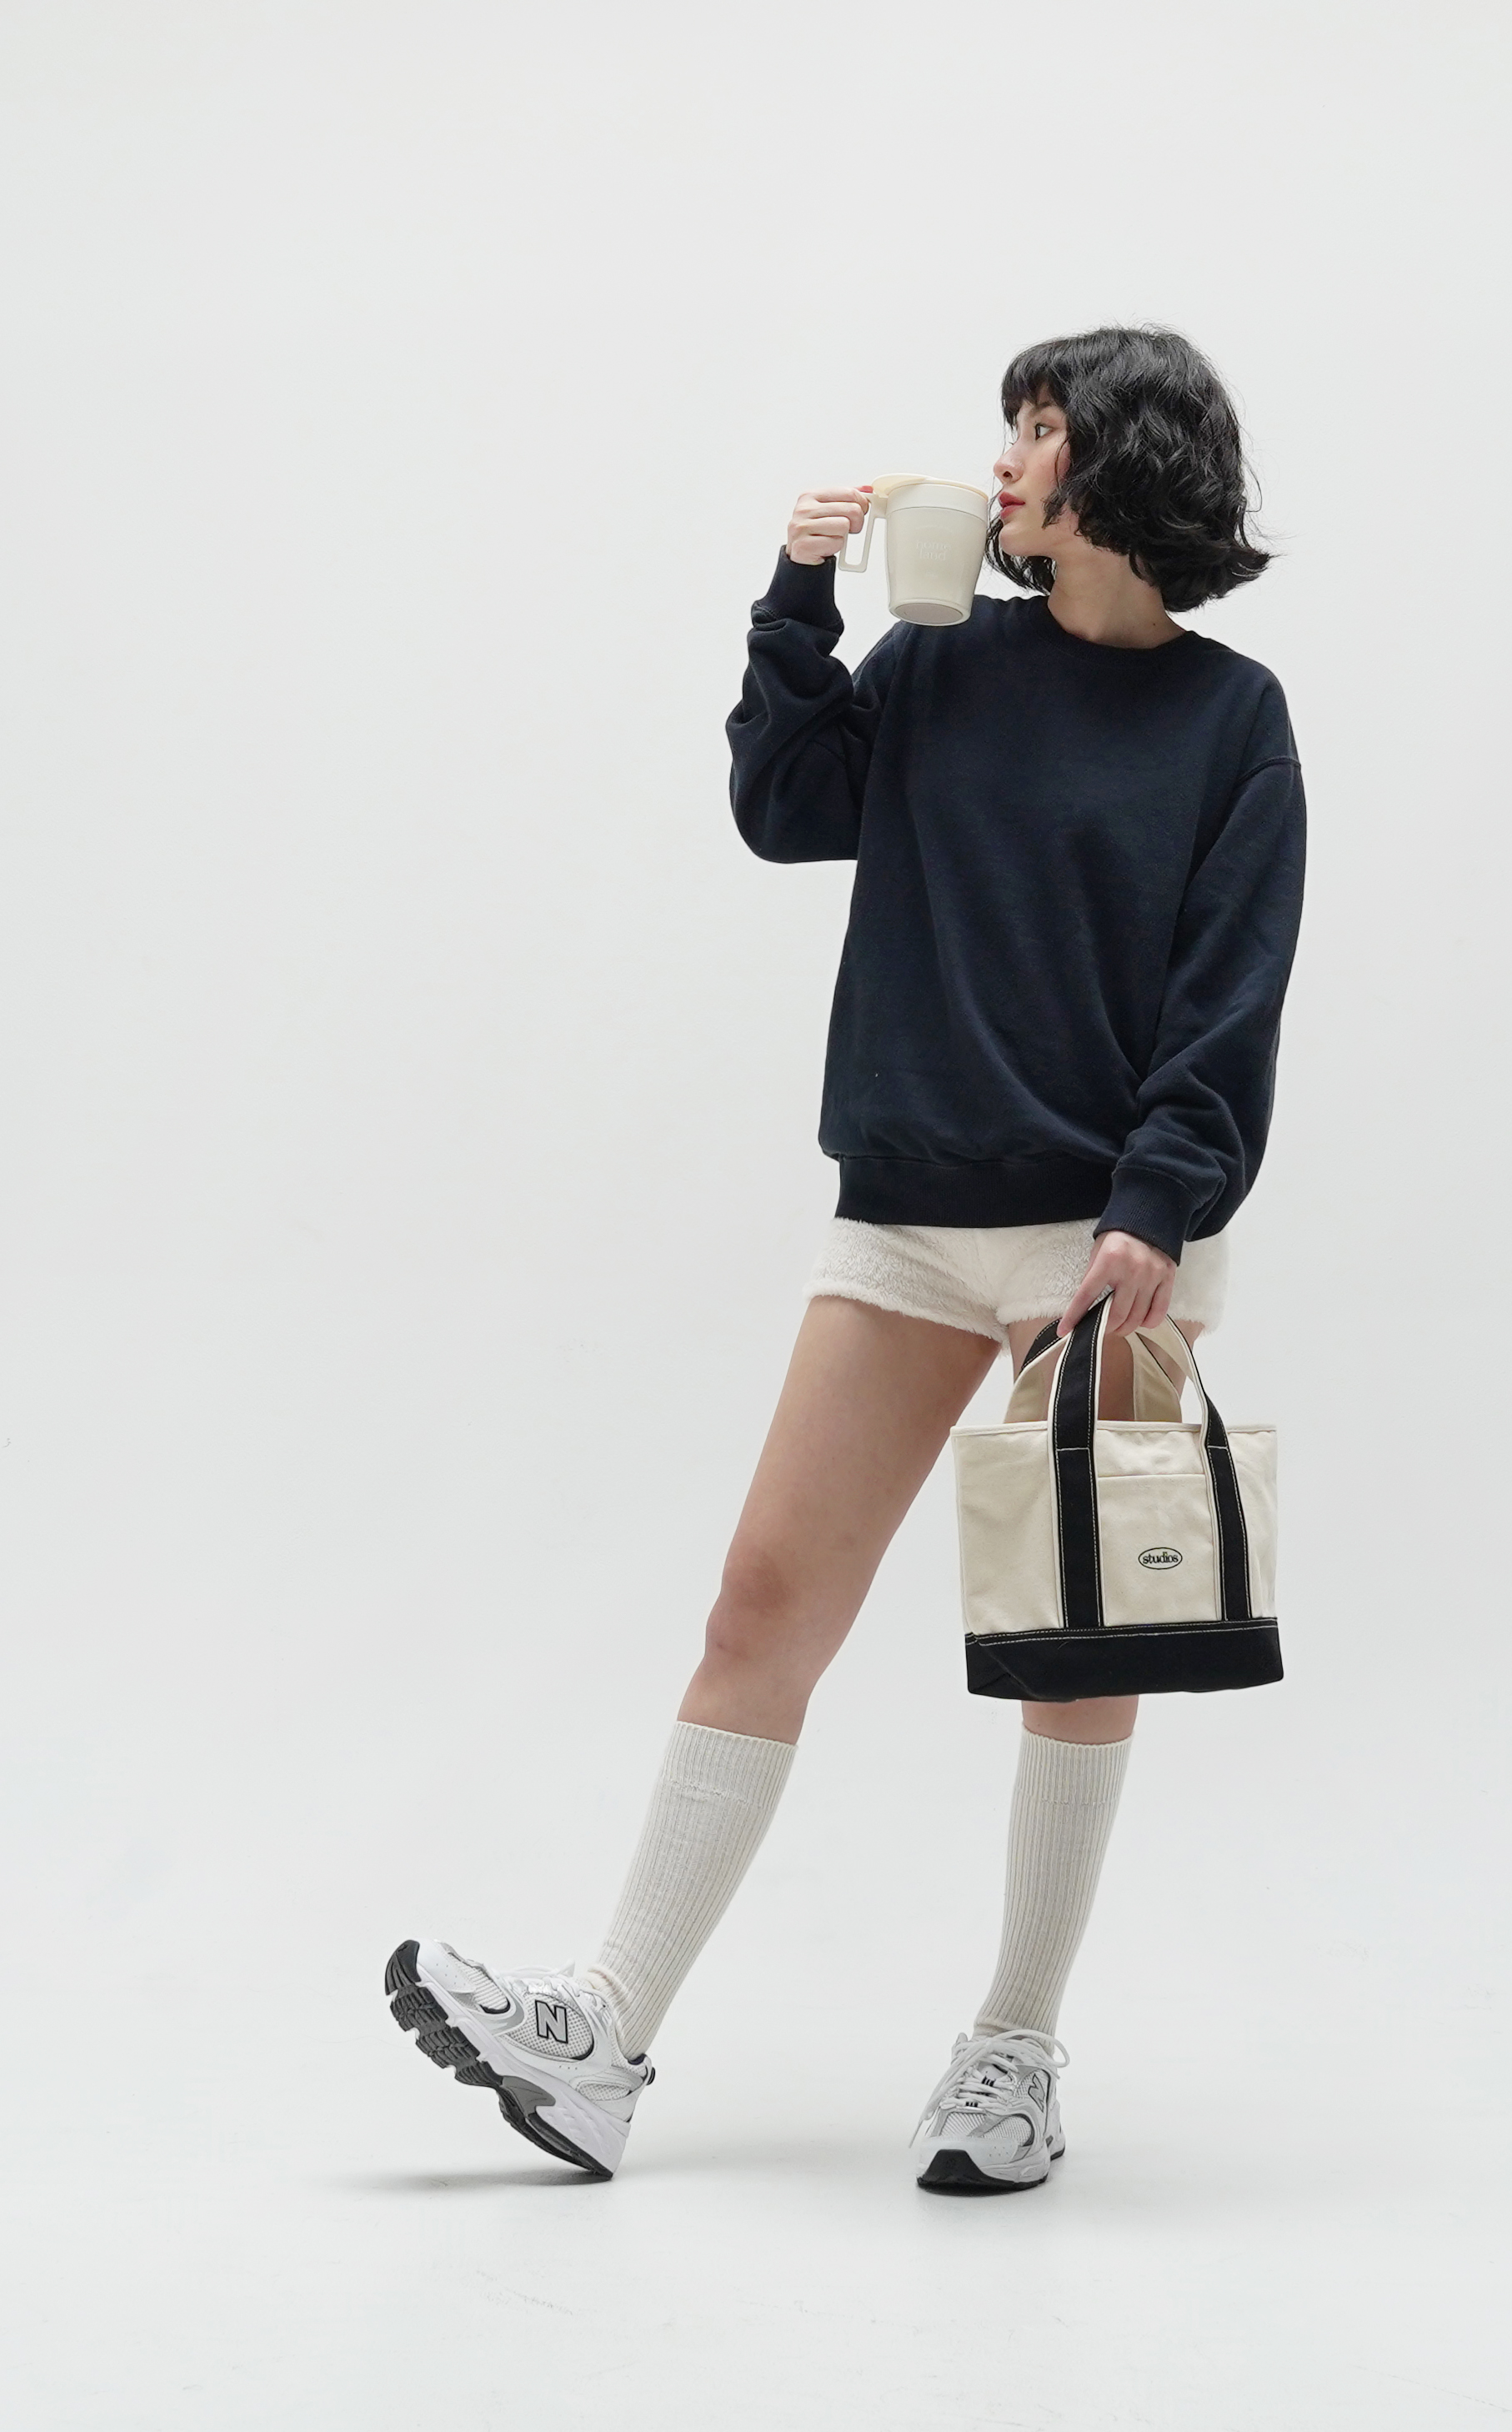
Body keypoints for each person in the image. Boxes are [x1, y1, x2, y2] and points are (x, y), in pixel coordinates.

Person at [384, 325, 1306, 2192]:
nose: (1003, 461)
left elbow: (1232, 993)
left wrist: (1154, 1206)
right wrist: (799, 597)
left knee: (1075, 1646)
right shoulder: (941, 657)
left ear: (1118, 464)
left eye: (1036, 430)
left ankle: (1014, 2053)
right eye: (1008, 430)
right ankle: (603, 2034)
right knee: (762, 1605)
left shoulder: (1233, 718)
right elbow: (786, 808)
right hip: (906, 1201)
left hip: (1106, 1239)